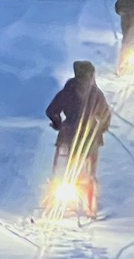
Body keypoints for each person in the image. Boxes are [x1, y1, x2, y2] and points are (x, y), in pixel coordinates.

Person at [46, 61, 112, 216]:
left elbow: (51, 110)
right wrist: (101, 129)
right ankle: (85, 203)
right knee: (77, 170)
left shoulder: (73, 92)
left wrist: (58, 122)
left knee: (74, 170)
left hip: (76, 138)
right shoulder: (91, 94)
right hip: (80, 139)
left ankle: (80, 201)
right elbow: (106, 116)